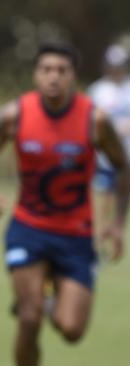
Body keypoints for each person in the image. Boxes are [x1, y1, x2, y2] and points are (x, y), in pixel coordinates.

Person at [0, 42, 130, 366]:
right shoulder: (16, 114)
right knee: (29, 316)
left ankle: (49, 299)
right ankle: (36, 301)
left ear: (73, 77)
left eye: (61, 71)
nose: (53, 77)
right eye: (46, 70)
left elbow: (123, 165)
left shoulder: (94, 120)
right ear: (36, 74)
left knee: (72, 330)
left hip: (77, 235)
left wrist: (116, 224)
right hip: (29, 229)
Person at [88, 44, 130, 252]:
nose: (116, 69)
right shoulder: (98, 90)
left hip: (127, 154)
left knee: (123, 192)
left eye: (120, 65)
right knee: (103, 193)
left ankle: (117, 229)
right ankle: (101, 231)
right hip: (103, 155)